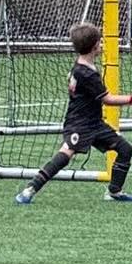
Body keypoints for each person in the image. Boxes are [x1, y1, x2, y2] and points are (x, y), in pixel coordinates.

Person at [14, 22, 132, 206]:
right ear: (94, 46)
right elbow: (107, 99)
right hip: (79, 123)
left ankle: (114, 191)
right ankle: (30, 189)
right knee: (64, 156)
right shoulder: (87, 74)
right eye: (100, 42)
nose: (101, 45)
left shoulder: (81, 67)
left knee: (125, 149)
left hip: (95, 123)